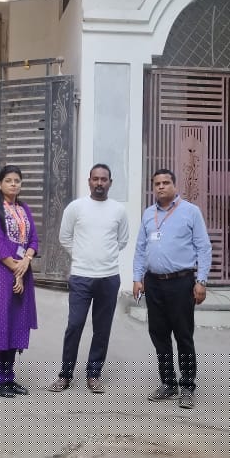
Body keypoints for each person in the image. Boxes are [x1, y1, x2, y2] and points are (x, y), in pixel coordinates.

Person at [133, 168, 212, 410]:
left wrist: (201, 281)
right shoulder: (148, 214)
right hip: (154, 283)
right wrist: (137, 278)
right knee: (158, 334)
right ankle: (168, 383)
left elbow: (204, 248)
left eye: (166, 182)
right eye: (157, 183)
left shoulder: (190, 212)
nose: (161, 186)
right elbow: (140, 248)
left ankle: (187, 385)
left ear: (175, 186)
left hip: (181, 282)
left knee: (183, 334)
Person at [48, 164, 129, 393]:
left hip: (108, 278)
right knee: (74, 325)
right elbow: (65, 237)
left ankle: (94, 374)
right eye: (95, 179)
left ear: (110, 182)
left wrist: (104, 256)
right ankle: (65, 375)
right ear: (89, 181)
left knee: (102, 329)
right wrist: (81, 255)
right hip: (81, 277)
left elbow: (122, 240)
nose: (99, 183)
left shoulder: (118, 210)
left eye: (104, 179)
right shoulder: (76, 208)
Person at [0, 165, 39, 398]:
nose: (13, 184)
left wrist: (26, 261)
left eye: (17, 181)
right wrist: (17, 270)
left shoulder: (24, 208)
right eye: (8, 180)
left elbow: (34, 239)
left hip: (22, 270)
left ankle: (8, 377)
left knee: (16, 322)